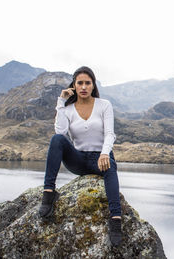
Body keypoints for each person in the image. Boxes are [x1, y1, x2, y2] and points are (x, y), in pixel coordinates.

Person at [38, 66, 122, 246]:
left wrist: (105, 153)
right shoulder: (68, 109)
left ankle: (115, 220)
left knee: (110, 168)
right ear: (74, 86)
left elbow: (110, 134)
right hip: (78, 160)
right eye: (80, 83)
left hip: (100, 159)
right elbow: (60, 131)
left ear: (93, 85)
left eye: (87, 83)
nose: (84, 87)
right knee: (57, 140)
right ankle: (48, 193)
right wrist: (61, 102)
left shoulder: (104, 105)